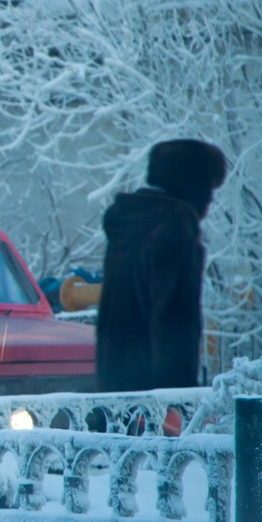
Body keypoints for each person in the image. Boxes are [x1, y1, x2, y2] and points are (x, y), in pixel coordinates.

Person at [96, 139, 228, 392]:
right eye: (208, 188)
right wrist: (178, 403)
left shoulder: (129, 226)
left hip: (116, 392)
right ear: (194, 187)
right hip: (158, 402)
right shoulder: (173, 232)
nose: (211, 200)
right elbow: (174, 324)